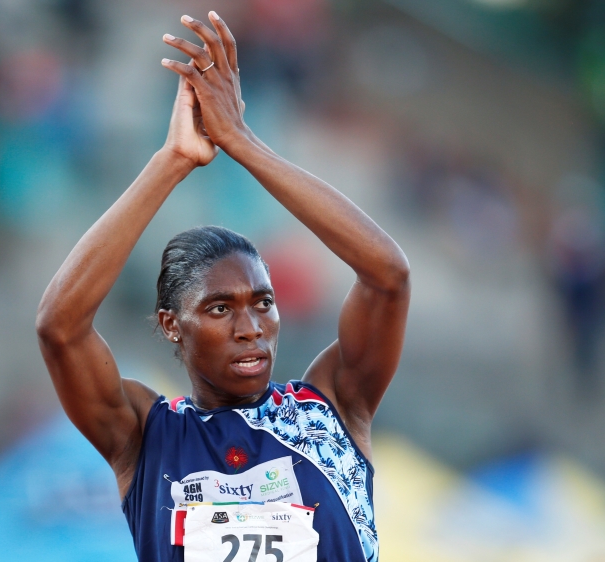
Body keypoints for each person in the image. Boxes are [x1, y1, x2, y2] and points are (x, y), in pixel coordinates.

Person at [36, 11, 410, 562]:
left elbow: (387, 276)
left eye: (263, 302)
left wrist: (243, 142)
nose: (250, 327)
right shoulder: (145, 435)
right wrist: (172, 161)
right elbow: (60, 328)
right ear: (171, 325)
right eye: (219, 308)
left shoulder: (332, 406)